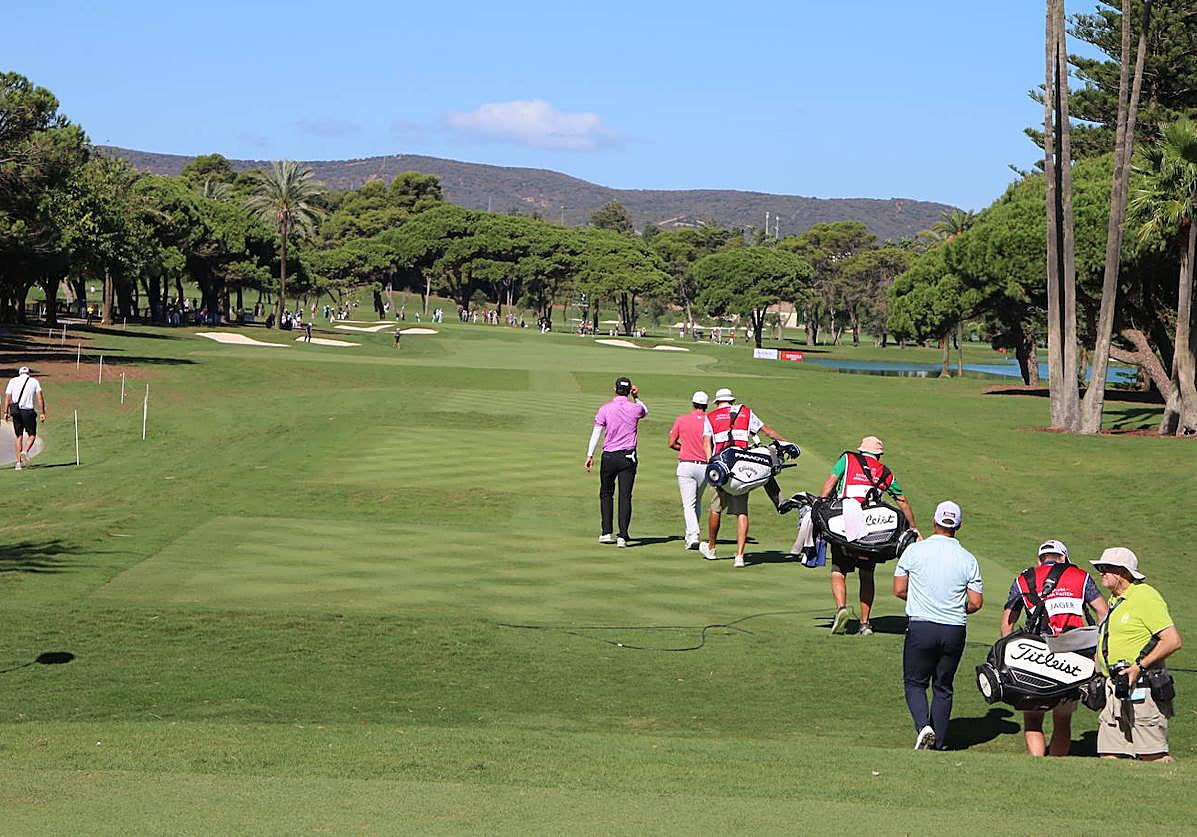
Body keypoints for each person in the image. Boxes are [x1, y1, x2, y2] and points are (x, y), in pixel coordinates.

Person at [998, 539, 1108, 756]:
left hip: (1034, 656)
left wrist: (1009, 658)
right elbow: (1103, 613)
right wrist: (1098, 651)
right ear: (1064, 557)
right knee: (1062, 718)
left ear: (1040, 559)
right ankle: (1057, 763)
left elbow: (1007, 623)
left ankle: (1038, 764)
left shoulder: (1024, 579)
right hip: (1073, 656)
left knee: (1032, 718)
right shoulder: (1081, 577)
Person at [893, 501, 982, 751]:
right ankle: (939, 744)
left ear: (934, 521)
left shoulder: (914, 551)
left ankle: (924, 727)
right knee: (943, 687)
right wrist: (951, 606)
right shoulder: (968, 558)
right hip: (954, 629)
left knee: (915, 683)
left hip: (922, 627)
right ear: (959, 525)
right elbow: (975, 602)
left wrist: (925, 600)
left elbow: (899, 589)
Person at [819, 436, 918, 637]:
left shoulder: (847, 459)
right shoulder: (885, 472)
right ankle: (865, 624)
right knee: (866, 574)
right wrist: (913, 528)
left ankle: (841, 609)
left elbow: (831, 482)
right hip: (872, 528)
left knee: (839, 569)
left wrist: (820, 505)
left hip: (844, 523)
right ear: (879, 455)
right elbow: (902, 500)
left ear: (861, 450)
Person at [1091, 547, 1182, 762]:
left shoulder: (1145, 597)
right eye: (1100, 568)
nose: (1101, 572)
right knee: (1109, 754)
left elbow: (1172, 640)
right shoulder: (1115, 601)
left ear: (1124, 572)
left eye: (1107, 568)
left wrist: (1138, 667)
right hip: (1115, 687)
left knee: (1151, 754)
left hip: (1143, 686)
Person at [700, 387, 793, 568]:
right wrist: (788, 443)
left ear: (718, 402)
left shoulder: (710, 417)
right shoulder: (745, 413)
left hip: (722, 469)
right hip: (742, 469)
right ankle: (740, 556)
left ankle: (711, 548)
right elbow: (767, 431)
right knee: (742, 512)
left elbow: (706, 443)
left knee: (715, 509)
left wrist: (711, 464)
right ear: (732, 401)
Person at [585, 377, 648, 547]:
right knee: (625, 496)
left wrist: (590, 455)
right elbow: (645, 410)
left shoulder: (605, 408)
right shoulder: (635, 408)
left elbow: (596, 432)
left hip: (609, 457)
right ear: (629, 391)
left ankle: (606, 532)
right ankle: (622, 535)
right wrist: (637, 397)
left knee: (606, 493)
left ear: (614, 389)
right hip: (627, 457)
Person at [667, 391, 713, 551]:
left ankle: (693, 536)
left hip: (686, 465)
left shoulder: (682, 419)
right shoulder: (710, 421)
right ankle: (690, 534)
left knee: (689, 504)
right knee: (697, 502)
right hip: (706, 466)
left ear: (693, 404)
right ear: (706, 405)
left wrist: (684, 447)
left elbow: (671, 443)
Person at [3, 366, 47, 471]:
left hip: (15, 411)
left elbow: (7, 397)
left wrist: (5, 412)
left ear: (19, 373)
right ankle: (25, 451)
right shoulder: (34, 381)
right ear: (28, 373)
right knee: (32, 435)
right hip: (28, 411)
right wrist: (42, 412)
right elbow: (40, 397)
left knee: (19, 436)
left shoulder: (12, 381)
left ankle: (18, 464)